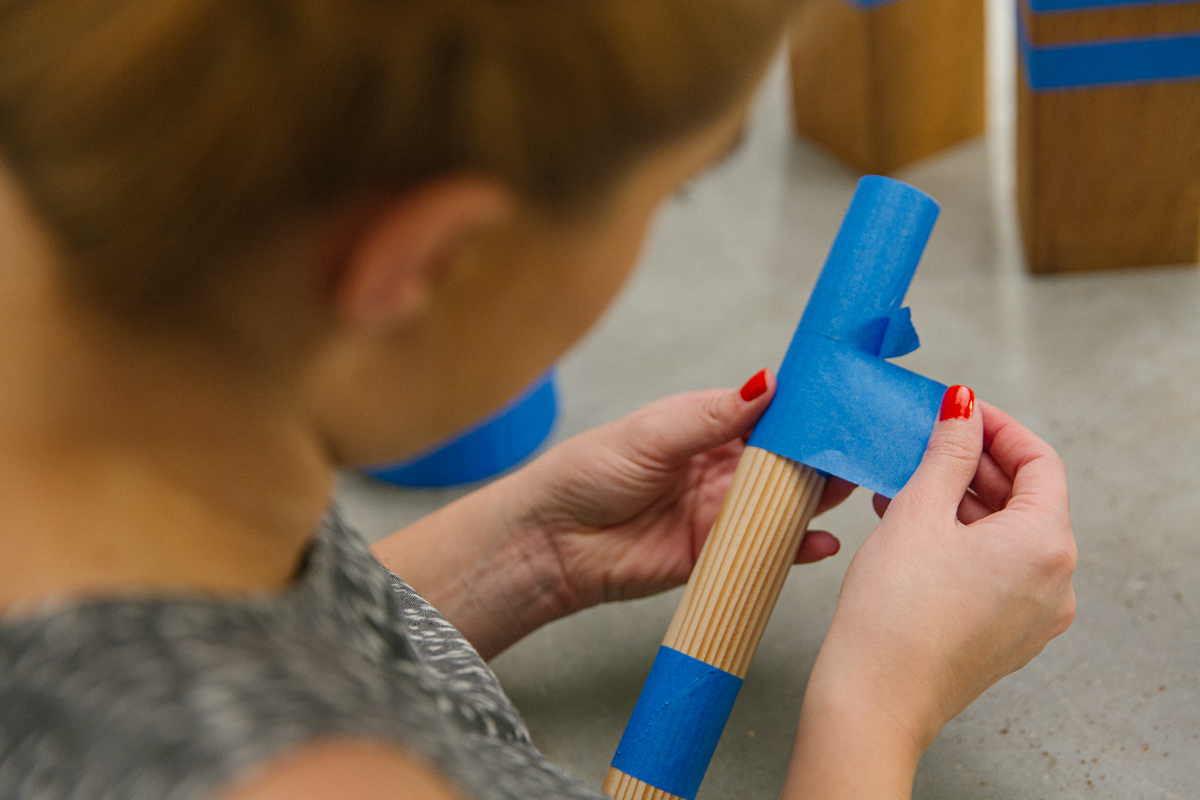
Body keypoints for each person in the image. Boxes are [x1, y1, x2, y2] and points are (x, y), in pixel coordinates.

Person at [0, 1, 1076, 798]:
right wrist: (874, 714)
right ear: (428, 258)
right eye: (672, 188)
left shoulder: (121, 394)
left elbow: (241, 641)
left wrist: (523, 555)